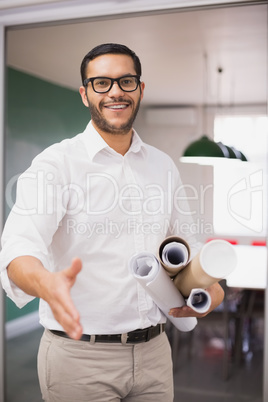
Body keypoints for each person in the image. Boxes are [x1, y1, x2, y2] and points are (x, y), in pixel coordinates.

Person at [0, 43, 224, 402]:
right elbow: (19, 247)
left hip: (154, 353)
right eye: (101, 83)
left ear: (140, 89)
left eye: (126, 81)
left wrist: (211, 286)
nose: (115, 91)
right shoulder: (57, 164)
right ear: (85, 94)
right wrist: (47, 283)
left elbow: (187, 242)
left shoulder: (162, 165)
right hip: (80, 359)